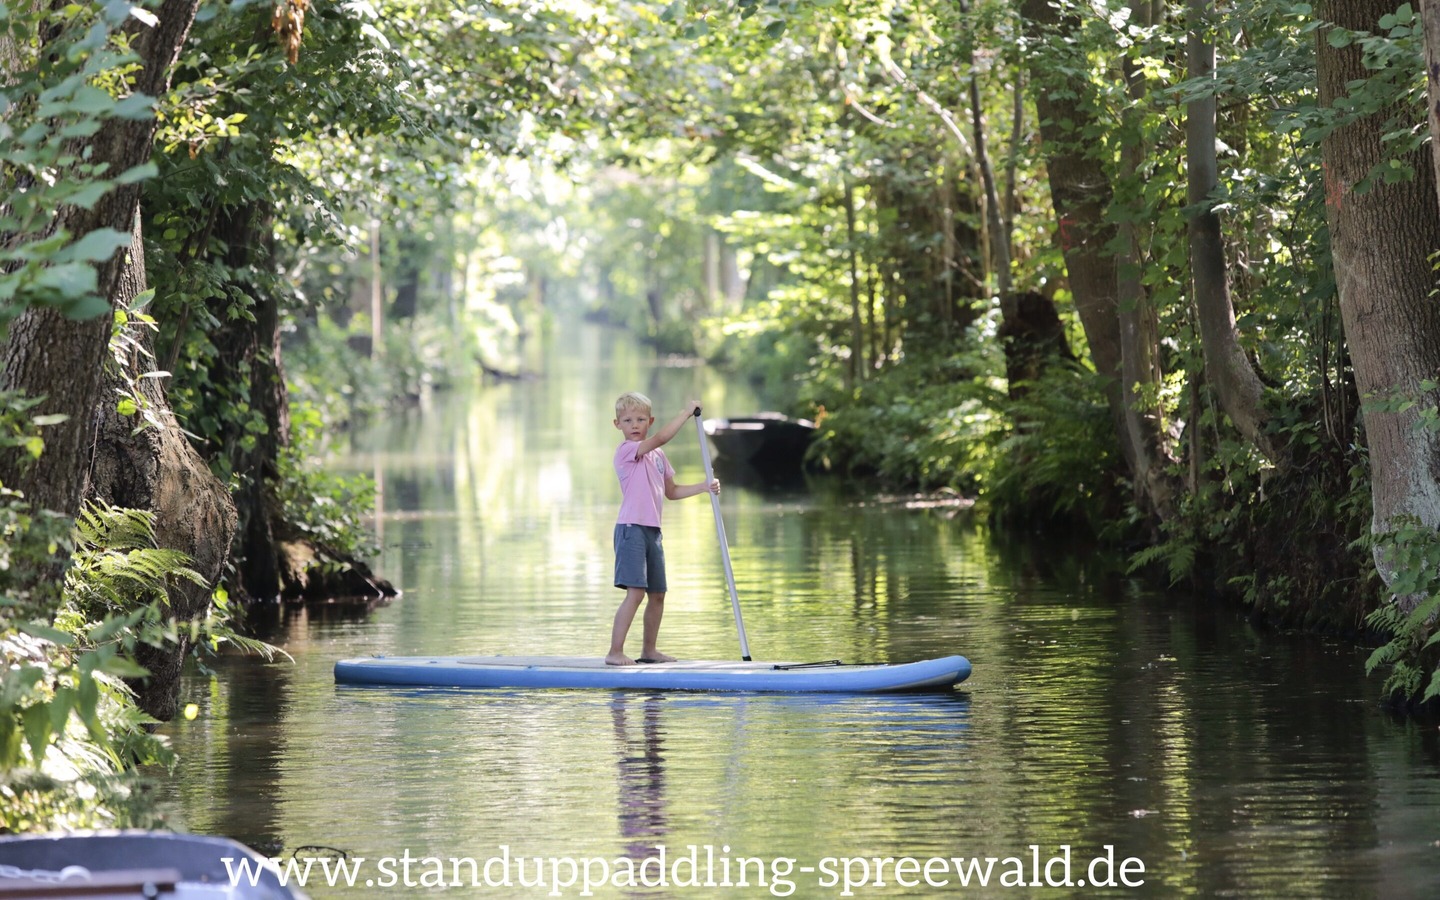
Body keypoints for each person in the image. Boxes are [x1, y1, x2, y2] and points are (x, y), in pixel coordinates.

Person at [607, 391, 720, 666]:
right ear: (617, 424)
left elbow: (671, 491)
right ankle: (615, 652)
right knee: (635, 592)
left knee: (657, 594)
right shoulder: (627, 451)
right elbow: (660, 437)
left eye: (641, 419)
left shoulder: (658, 456)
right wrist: (686, 412)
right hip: (631, 529)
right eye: (628, 420)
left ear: (650, 420)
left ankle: (649, 651)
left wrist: (705, 487)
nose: (634, 425)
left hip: (653, 532)